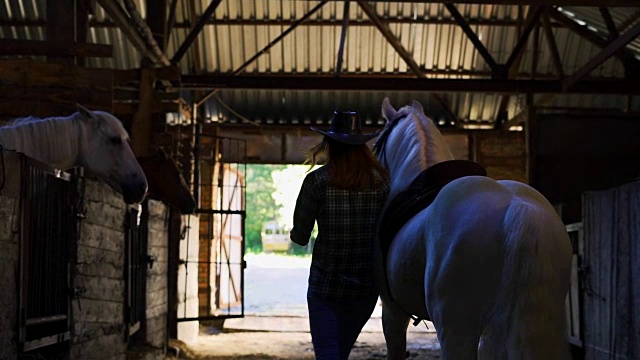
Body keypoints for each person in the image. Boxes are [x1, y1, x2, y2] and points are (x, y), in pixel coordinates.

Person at [290, 110, 390, 360]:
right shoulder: (383, 182)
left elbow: (300, 237)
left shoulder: (316, 182)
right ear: (362, 147)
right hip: (365, 289)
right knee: (340, 352)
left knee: (328, 353)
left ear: (330, 144)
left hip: (326, 287)